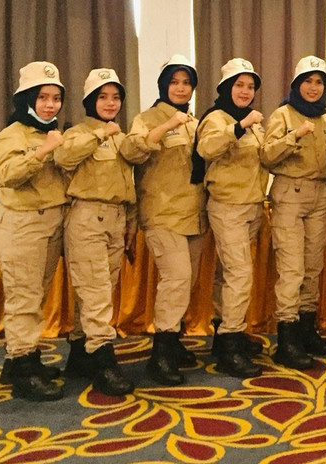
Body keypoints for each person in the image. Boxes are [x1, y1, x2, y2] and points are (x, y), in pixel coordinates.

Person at [122, 54, 206, 386]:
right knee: (177, 278)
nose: (181, 88)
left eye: (187, 82)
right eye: (175, 81)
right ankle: (160, 354)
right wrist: (166, 126)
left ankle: (172, 342)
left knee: (188, 280)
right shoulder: (147, 118)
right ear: (163, 84)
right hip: (162, 214)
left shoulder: (196, 121)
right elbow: (132, 151)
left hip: (193, 214)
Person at [53, 68, 136, 396]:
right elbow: (63, 156)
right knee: (97, 292)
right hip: (88, 217)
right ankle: (103, 361)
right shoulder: (78, 132)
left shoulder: (119, 134)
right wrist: (99, 134)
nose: (110, 102)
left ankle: (79, 351)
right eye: (103, 96)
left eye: (116, 97)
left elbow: (128, 183)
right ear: (90, 100)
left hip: (116, 219)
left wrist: (131, 222)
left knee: (98, 291)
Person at [0, 61, 69, 401]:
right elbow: (8, 174)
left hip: (51, 223)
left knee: (34, 296)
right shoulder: (13, 134)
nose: (50, 105)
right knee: (23, 298)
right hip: (22, 225)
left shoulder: (51, 131)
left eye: (55, 98)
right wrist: (45, 150)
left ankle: (19, 359)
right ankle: (24, 371)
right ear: (27, 99)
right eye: (43, 97)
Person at [263, 56, 326, 369]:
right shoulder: (283, 114)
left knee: (313, 265)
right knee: (292, 268)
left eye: (319, 82)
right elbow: (266, 155)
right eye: (307, 81)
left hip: (320, 195)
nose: (313, 87)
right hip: (290, 194)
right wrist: (293, 136)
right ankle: (288, 337)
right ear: (297, 84)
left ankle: (307, 329)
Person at [195, 58, 268, 378]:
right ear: (226, 88)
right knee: (240, 274)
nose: (245, 91)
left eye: (250, 86)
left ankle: (225, 330)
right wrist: (238, 126)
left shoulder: (252, 121)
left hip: (251, 205)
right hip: (227, 206)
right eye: (239, 85)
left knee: (228, 274)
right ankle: (229, 344)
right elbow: (206, 148)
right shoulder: (218, 118)